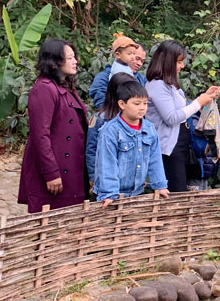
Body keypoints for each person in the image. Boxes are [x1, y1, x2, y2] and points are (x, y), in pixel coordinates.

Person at [18, 38, 88, 213]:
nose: (75, 61)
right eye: (70, 58)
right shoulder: (44, 89)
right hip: (56, 170)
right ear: (55, 62)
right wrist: (51, 173)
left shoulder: (64, 86)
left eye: (74, 57)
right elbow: (40, 135)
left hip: (71, 166)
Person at [145, 40, 220, 192]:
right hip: (168, 149)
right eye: (179, 62)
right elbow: (172, 117)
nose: (182, 66)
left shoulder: (170, 85)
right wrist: (199, 102)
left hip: (180, 146)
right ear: (167, 61)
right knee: (176, 192)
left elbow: (182, 110)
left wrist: (205, 96)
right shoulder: (157, 85)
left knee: (182, 190)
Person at [94, 76, 169, 207]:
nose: (142, 108)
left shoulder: (149, 129)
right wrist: (109, 193)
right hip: (114, 195)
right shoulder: (110, 131)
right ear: (122, 104)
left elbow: (155, 160)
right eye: (136, 103)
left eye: (145, 103)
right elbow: (107, 164)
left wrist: (159, 185)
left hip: (137, 193)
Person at [89, 41, 147, 109]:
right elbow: (101, 104)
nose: (139, 64)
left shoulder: (142, 79)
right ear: (119, 55)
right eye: (137, 58)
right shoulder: (103, 77)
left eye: (142, 61)